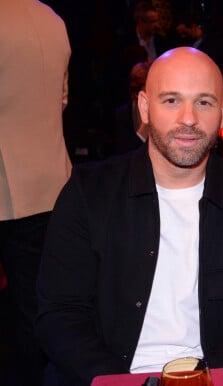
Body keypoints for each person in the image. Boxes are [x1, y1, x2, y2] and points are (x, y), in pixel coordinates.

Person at [36, 47, 223, 386]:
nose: (188, 118)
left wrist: (209, 378)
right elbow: (61, 314)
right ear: (145, 107)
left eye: (204, 102)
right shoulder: (88, 193)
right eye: (171, 101)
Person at [0, 1, 72, 384]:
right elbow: (62, 100)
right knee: (38, 303)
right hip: (51, 181)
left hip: (7, 186)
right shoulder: (52, 19)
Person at [112, 61, 151, 155]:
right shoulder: (123, 114)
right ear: (138, 91)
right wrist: (141, 133)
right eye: (148, 88)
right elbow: (123, 153)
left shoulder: (161, 109)